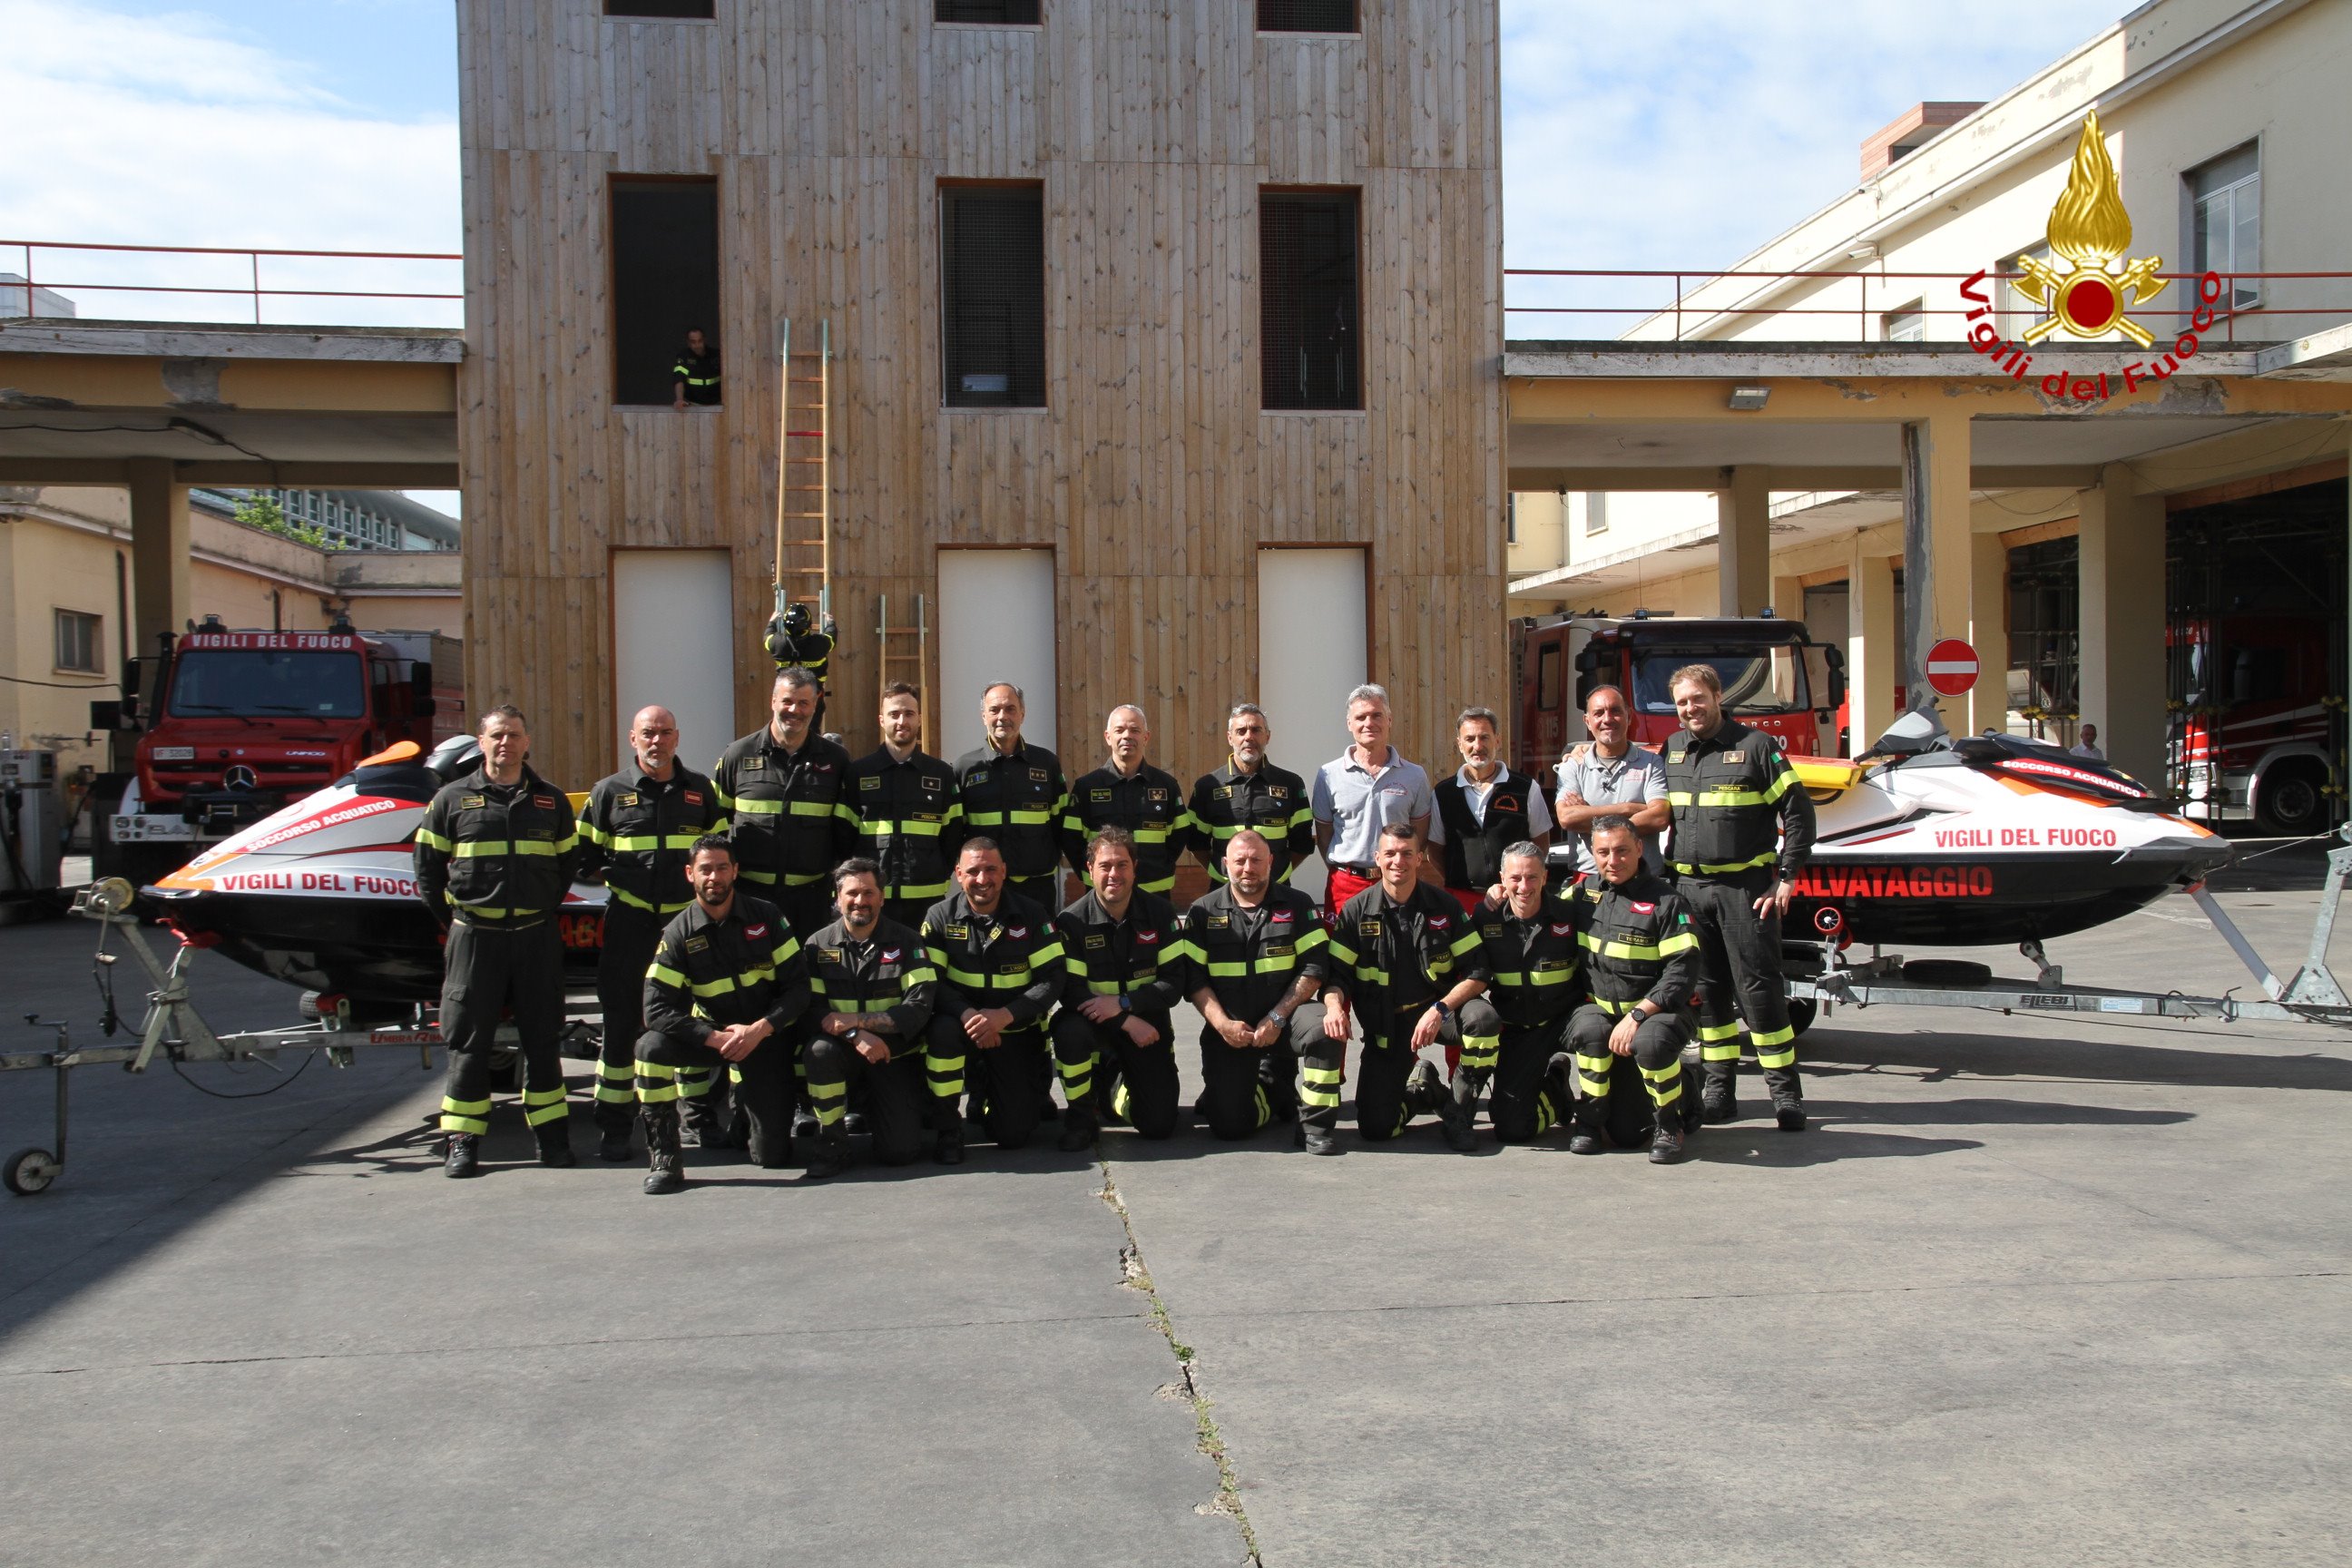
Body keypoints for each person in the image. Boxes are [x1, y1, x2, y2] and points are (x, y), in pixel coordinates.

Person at [413, 705, 581, 1178]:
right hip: (475, 939)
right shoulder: (450, 800)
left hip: (535, 937)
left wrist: (541, 904)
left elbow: (568, 864)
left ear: (527, 743)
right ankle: (463, 1142)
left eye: (514, 735)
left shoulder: (550, 802)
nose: (505, 743)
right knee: (468, 1042)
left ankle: (552, 1139)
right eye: (496, 736)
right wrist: (456, 919)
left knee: (543, 1040)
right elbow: (427, 869)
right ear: (481, 743)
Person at [1659, 662, 1817, 1131]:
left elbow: (1799, 812)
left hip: (1745, 891)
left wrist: (1786, 877)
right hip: (1689, 891)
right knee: (1707, 996)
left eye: (1698, 698)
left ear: (1717, 695)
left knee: (1759, 993)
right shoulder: (1672, 750)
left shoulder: (1756, 747)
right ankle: (1719, 1092)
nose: (1691, 709)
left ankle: (1786, 1096)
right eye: (1683, 702)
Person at [574, 705, 727, 1162]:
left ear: (677, 738)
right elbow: (581, 856)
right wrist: (619, 877)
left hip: (685, 927)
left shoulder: (701, 792)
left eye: (664, 733)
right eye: (648, 733)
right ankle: (616, 1127)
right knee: (622, 1026)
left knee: (691, 1021)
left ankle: (697, 1119)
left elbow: (720, 853)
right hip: (630, 923)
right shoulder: (608, 793)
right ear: (632, 738)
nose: (656, 741)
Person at [635, 837, 808, 1191]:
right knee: (650, 1048)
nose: (714, 877)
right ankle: (665, 1156)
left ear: (736, 871)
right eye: (705, 869)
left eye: (722, 867)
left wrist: (761, 1030)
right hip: (716, 1038)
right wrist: (713, 1038)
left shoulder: (767, 916)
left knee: (771, 1156)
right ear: (690, 874)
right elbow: (655, 1008)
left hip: (766, 1036)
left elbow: (799, 988)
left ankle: (745, 1117)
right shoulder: (678, 933)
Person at [1319, 822, 1492, 1153]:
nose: (1398, 861)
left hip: (1440, 1012)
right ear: (1377, 858)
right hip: (1388, 1027)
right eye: (1390, 854)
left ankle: (1459, 1111)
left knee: (1483, 1020)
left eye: (1406, 854)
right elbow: (1336, 975)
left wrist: (1441, 1009)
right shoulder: (1356, 910)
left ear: (1420, 858)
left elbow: (1478, 970)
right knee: (1375, 1129)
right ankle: (1423, 1090)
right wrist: (1332, 1007)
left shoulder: (1444, 906)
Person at [1564, 815, 1702, 1163]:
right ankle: (1590, 1121)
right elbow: (1534, 905)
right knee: (1625, 1135)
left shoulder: (1667, 902)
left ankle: (1671, 1120)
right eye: (1604, 852)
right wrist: (1500, 892)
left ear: (1640, 848)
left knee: (1652, 1045)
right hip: (1605, 1015)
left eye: (1623, 851)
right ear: (1592, 854)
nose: (1613, 861)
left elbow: (1682, 971)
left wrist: (1640, 1014)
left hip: (1657, 1015)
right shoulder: (1582, 893)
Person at [1180, 828, 1331, 1142]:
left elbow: (1315, 968)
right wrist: (1222, 1025)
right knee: (1229, 1126)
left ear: (1271, 862)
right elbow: (1193, 978)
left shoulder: (1299, 904)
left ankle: (1315, 1126)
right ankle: (1274, 1092)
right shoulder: (1201, 912)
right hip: (1230, 1032)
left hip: (1284, 1024)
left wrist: (1277, 1017)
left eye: (1256, 860)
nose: (1248, 868)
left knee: (1321, 1027)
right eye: (1240, 861)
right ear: (1225, 864)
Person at [920, 838, 1065, 1156]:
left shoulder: (1032, 914)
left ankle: (987, 1092)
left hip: (1012, 1031)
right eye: (973, 871)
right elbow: (930, 982)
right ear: (958, 874)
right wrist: (968, 1015)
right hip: (963, 1028)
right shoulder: (938, 917)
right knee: (941, 1032)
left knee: (1013, 1134)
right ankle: (948, 1129)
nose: (982, 879)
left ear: (1004, 871)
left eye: (990, 870)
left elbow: (1052, 979)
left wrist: (1005, 1015)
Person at [799, 858, 941, 1178]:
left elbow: (918, 1008)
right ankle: (832, 1142)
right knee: (818, 1051)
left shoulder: (908, 942)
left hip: (891, 1055)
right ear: (837, 898)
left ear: (882, 897)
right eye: (851, 893)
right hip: (842, 1054)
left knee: (900, 1153)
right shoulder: (817, 946)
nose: (860, 901)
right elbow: (812, 1010)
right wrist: (855, 1035)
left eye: (868, 892)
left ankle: (875, 1109)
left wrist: (856, 1022)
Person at [1051, 828, 1185, 1151]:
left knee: (1159, 1125)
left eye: (1122, 865)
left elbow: (1173, 984)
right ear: (1089, 869)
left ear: (1135, 867)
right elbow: (1071, 992)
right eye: (1105, 866)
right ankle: (1081, 1117)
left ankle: (1112, 1086)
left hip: (1147, 1027)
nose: (1114, 874)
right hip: (1095, 1025)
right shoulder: (1071, 921)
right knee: (1067, 1029)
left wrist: (1125, 1003)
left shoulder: (1161, 914)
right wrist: (1124, 1020)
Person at [711, 668, 857, 939]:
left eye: (804, 703)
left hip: (811, 902)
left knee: (807, 977)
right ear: (773, 701)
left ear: (816, 703)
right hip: (749, 897)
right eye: (788, 701)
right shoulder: (738, 755)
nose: (795, 710)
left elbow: (845, 833)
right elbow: (715, 825)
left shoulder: (836, 761)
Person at [1461, 840, 1584, 1145]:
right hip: (1518, 1029)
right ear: (1501, 880)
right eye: (1515, 878)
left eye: (1532, 877)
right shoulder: (1485, 918)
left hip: (1566, 1021)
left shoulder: (1570, 914)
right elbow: (1470, 973)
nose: (1524, 886)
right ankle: (1556, 1093)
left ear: (1545, 877)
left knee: (1595, 1027)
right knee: (1511, 1128)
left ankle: (1597, 1116)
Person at [842, 683, 965, 931]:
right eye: (894, 714)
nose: (902, 721)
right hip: (873, 899)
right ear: (881, 720)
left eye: (909, 714)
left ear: (919, 719)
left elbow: (954, 833)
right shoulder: (858, 773)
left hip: (927, 900)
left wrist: (939, 873)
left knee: (926, 966)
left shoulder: (942, 774)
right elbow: (842, 835)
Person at [1311, 684, 1434, 918]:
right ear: (1350, 724)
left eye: (1377, 715)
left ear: (1389, 720)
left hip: (1397, 883)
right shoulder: (1328, 775)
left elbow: (1421, 834)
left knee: (1397, 951)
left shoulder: (1414, 775)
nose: (1369, 723)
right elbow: (1324, 836)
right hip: (1345, 885)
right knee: (1342, 953)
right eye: (1361, 717)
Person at [955, 681, 1071, 907]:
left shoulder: (1047, 763)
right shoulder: (965, 768)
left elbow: (1062, 823)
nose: (1002, 716)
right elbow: (955, 831)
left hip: (1037, 886)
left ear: (1022, 714)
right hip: (984, 887)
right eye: (994, 710)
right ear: (983, 716)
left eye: (1010, 709)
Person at [1428, 705, 1552, 915]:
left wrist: (1512, 884)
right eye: (1470, 739)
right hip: (1461, 900)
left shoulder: (1525, 787)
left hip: (1512, 898)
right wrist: (1460, 879)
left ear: (1497, 740)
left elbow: (1541, 843)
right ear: (1459, 744)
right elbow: (1435, 850)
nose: (1477, 746)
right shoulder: (1443, 793)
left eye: (1484, 737)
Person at [1185, 701, 1316, 887]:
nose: (1249, 737)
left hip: (1276, 889)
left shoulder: (1291, 784)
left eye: (1256, 730)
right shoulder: (1207, 786)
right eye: (1241, 731)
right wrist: (1221, 873)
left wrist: (1275, 874)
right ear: (1230, 738)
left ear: (1267, 737)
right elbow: (1196, 843)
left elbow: (1302, 843)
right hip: (1224, 889)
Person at [1062, 704, 1186, 898]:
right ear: (1107, 737)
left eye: (1135, 730)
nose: (1127, 736)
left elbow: (1179, 836)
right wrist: (1091, 874)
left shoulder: (1167, 786)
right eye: (1119, 730)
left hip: (1154, 892)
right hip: (1104, 894)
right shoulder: (1087, 787)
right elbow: (1071, 839)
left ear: (1146, 737)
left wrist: (1157, 867)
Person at [1553, 684, 1671, 876]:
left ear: (1629, 716)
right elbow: (1567, 818)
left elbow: (1658, 817)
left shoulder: (1652, 762)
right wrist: (1627, 809)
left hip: (1645, 881)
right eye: (1599, 713)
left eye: (1615, 711)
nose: (1607, 719)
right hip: (1588, 880)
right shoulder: (1572, 766)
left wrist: (1589, 816)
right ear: (1587, 721)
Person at [761, 604, 838, 734]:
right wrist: (831, 623)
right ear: (808, 625)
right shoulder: (818, 644)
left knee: (784, 729)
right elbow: (831, 638)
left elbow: (767, 638)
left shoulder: (778, 644)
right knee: (812, 730)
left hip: (786, 694)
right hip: (813, 693)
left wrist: (771, 623)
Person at [671, 327, 720, 408]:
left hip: (718, 404)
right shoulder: (684, 357)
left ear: (704, 340)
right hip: (693, 406)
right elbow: (679, 378)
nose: (697, 345)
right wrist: (679, 399)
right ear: (688, 343)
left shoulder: (716, 355)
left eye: (700, 341)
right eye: (693, 342)